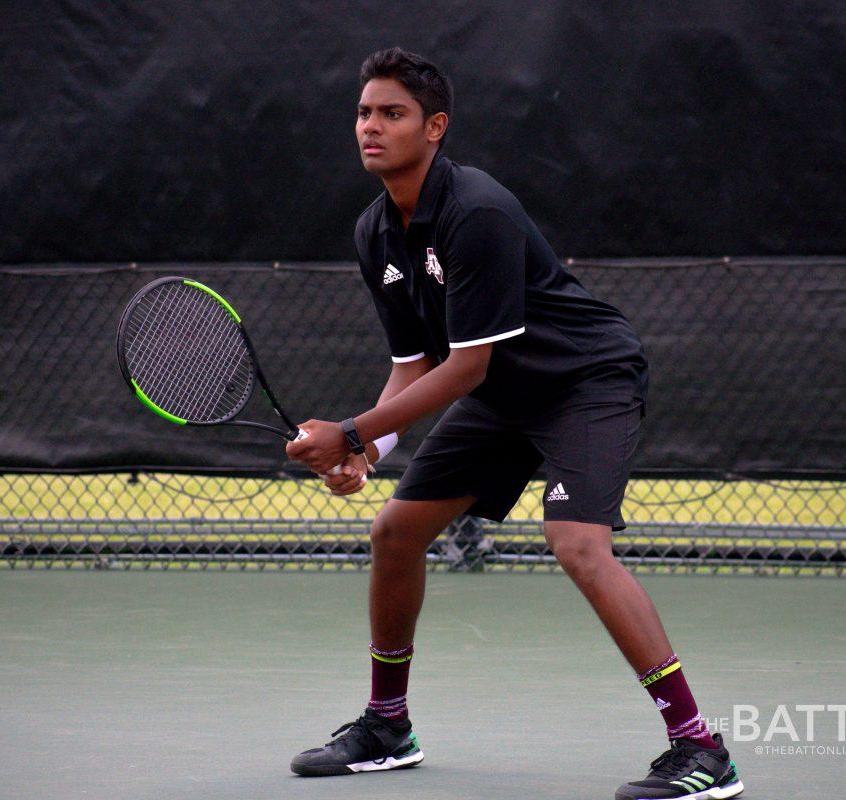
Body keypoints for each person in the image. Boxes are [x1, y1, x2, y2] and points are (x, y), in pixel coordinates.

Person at [285, 47, 743, 800]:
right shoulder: (375, 233)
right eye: (364, 113)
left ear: (435, 128)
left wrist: (354, 432)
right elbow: (415, 362)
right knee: (394, 531)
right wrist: (373, 450)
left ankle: (702, 749)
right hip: (503, 397)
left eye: (391, 113)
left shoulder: (478, 211)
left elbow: (464, 368)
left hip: (585, 381)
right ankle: (387, 725)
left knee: (577, 545)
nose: (371, 126)